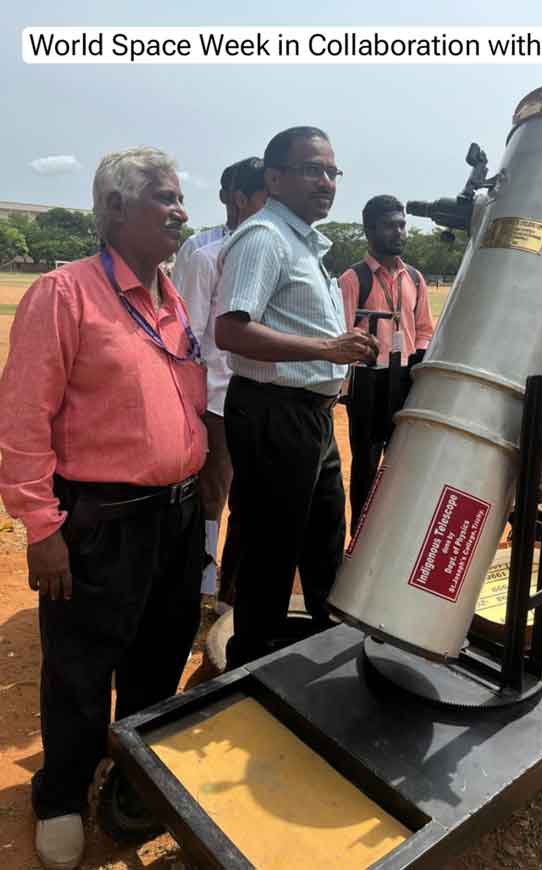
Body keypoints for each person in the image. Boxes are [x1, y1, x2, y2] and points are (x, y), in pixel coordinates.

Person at [0, 147, 207, 870]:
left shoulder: (170, 298)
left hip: (177, 514)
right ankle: (61, 795)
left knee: (160, 657)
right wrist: (41, 528)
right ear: (116, 207)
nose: (180, 210)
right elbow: (23, 421)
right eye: (165, 198)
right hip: (100, 521)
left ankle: (132, 776)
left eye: (179, 198)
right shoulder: (64, 294)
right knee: (81, 668)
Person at [215, 126, 378, 668]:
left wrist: (337, 348)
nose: (326, 181)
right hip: (273, 412)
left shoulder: (304, 242)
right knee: (272, 550)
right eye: (312, 169)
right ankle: (250, 667)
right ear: (274, 177)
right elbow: (232, 330)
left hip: (311, 416)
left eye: (332, 171)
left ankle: (327, 658)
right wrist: (328, 348)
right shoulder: (265, 237)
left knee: (324, 540)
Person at [176, 157, 266, 604]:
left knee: (253, 499)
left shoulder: (272, 252)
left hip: (264, 398)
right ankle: (202, 586)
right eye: (267, 197)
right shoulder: (205, 254)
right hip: (218, 400)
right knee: (213, 495)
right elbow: (186, 335)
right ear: (240, 199)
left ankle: (232, 587)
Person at [339, 195, 435, 533]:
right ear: (370, 231)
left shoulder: (415, 278)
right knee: (366, 466)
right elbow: (342, 333)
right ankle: (359, 540)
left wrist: (418, 356)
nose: (399, 232)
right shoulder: (353, 279)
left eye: (402, 225)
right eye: (389, 226)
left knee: (403, 462)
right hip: (369, 380)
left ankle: (393, 535)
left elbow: (424, 329)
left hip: (406, 379)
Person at [170, 161, 241, 290]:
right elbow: (177, 296)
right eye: (240, 192)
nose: (242, 200)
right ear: (223, 196)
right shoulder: (196, 245)